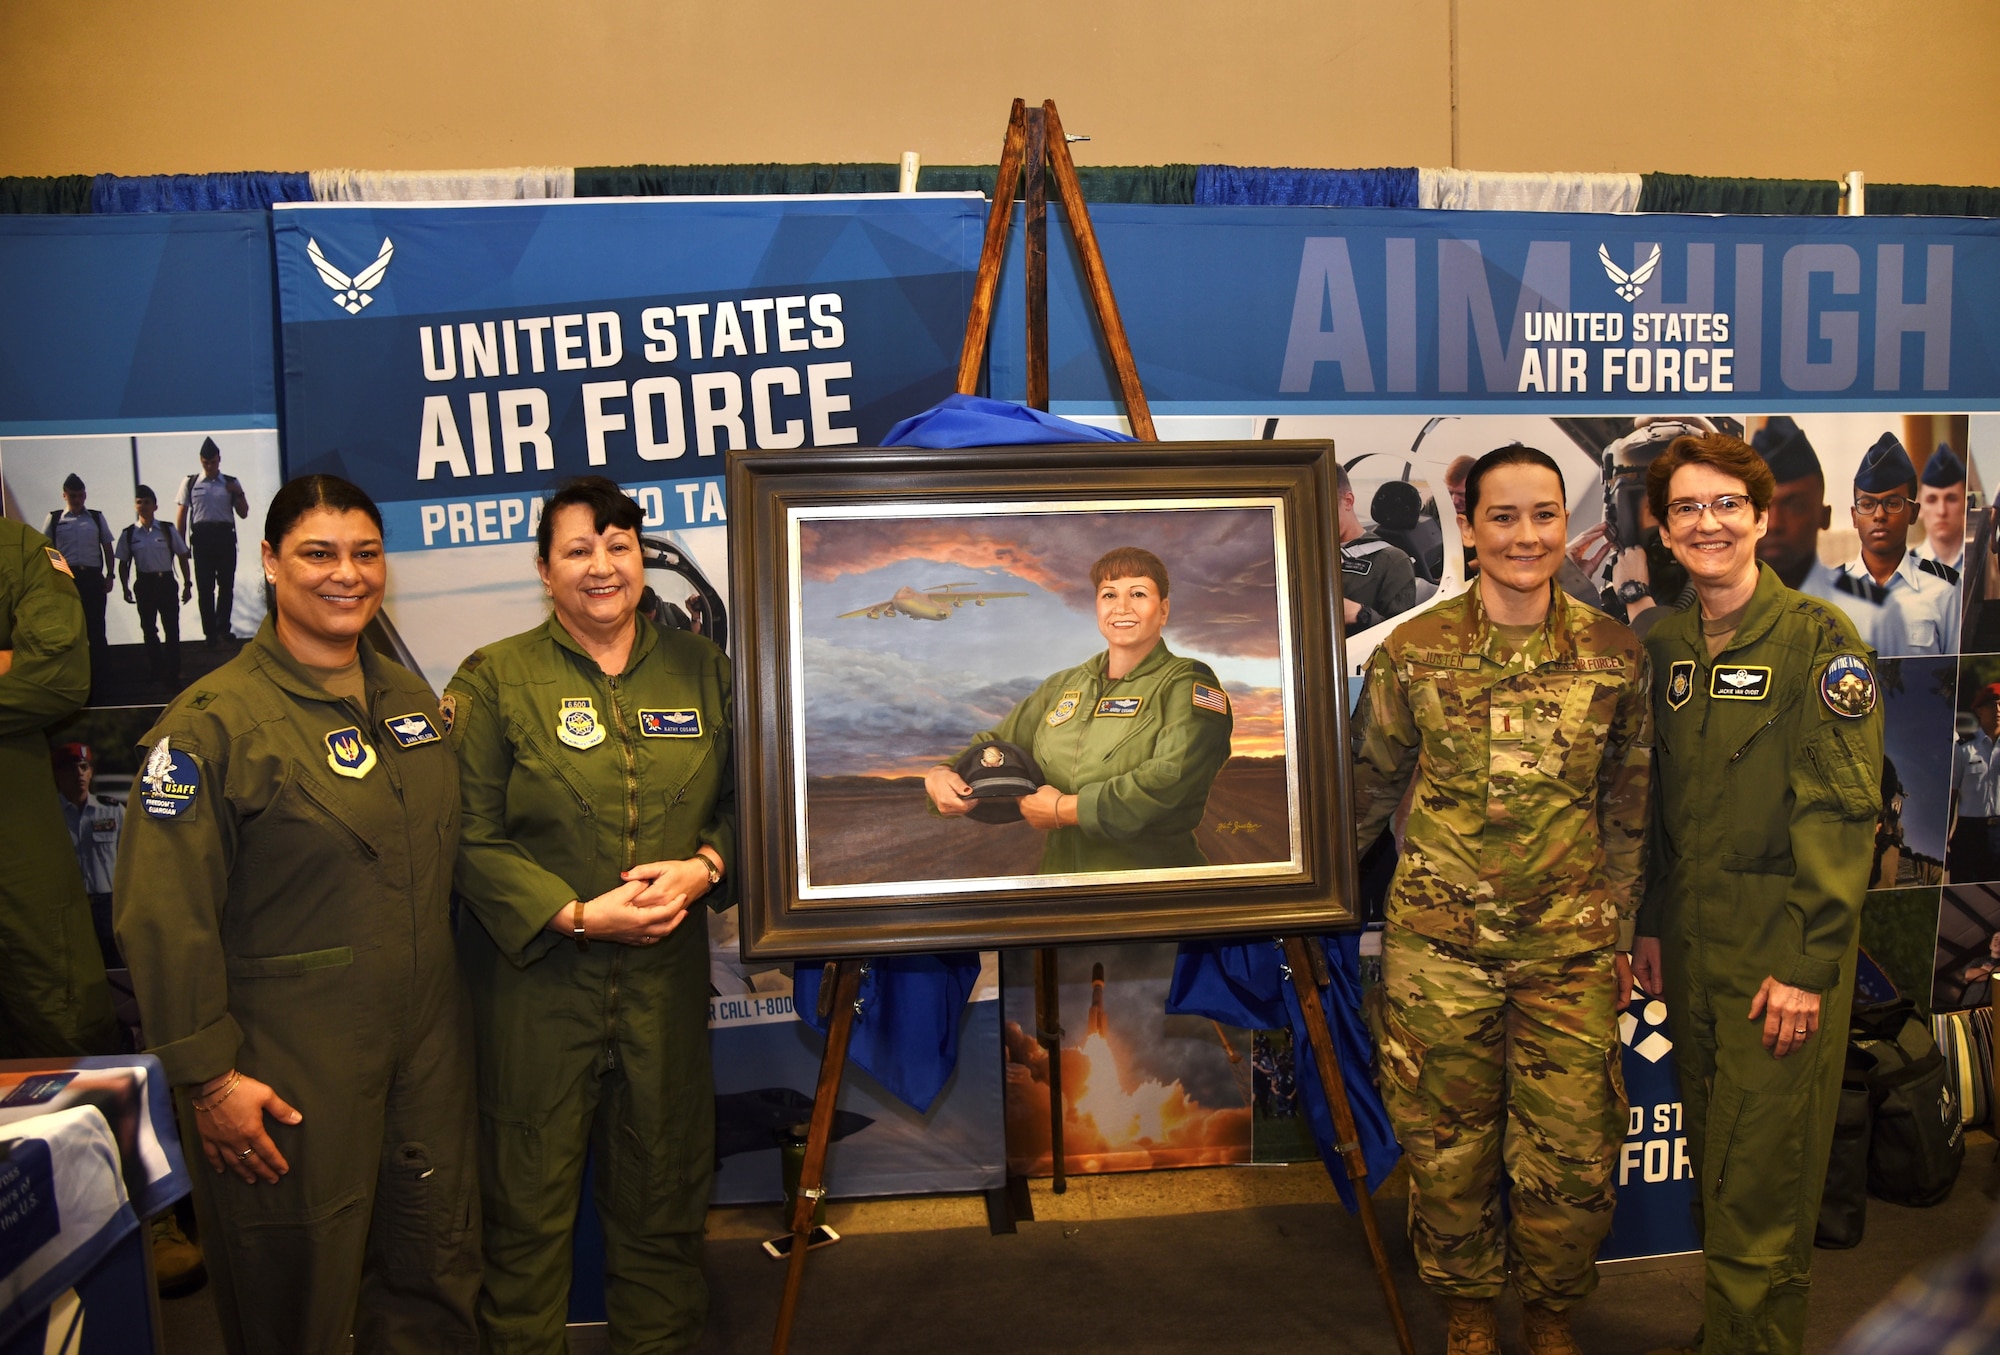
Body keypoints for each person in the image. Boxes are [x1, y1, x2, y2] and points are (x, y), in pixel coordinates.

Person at [113, 475, 479, 1355]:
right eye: (318, 552)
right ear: (271, 560)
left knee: (435, 1279)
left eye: (365, 552)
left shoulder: (410, 706)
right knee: (295, 1302)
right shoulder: (209, 728)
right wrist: (208, 1079)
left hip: (425, 1060)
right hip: (285, 1077)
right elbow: (164, 917)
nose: (345, 574)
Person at [1351, 445, 1651, 1355]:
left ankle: (1553, 1313)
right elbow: (1365, 793)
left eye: (1545, 515)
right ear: (1471, 528)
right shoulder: (1413, 651)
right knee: (1446, 1153)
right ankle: (1470, 1312)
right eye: (1505, 517)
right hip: (1439, 954)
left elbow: (1628, 814)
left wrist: (1621, 939)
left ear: (1569, 525)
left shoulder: (1614, 653)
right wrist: (1282, 883)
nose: (1527, 535)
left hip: (1570, 954)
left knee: (1575, 1154)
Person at [446, 475, 734, 1351]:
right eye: (578, 549)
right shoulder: (495, 679)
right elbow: (464, 836)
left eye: (619, 547)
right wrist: (572, 914)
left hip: (663, 995)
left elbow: (758, 804)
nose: (602, 567)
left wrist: (707, 866)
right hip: (535, 993)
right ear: (544, 568)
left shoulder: (705, 669)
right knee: (524, 1225)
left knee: (664, 1212)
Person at [1631, 432, 1883, 1355]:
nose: (1709, 523)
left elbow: (1843, 813)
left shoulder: (1821, 644)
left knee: (1765, 1189)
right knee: (1721, 1170)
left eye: (1727, 504)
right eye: (1688, 508)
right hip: (1694, 951)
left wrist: (1810, 966)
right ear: (1663, 530)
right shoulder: (1665, 646)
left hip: (1779, 954)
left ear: (1763, 517)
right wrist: (1653, 924)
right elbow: (1657, 807)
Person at [924, 546, 1234, 874]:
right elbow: (997, 744)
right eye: (1109, 595)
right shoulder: (1064, 686)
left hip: (1152, 884)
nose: (1122, 607)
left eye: (1139, 593)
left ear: (1164, 610)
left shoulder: (1189, 684)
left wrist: (1066, 810)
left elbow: (1171, 781)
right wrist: (944, 773)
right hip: (1061, 884)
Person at [0, 517, 116, 1057]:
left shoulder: (16, 549)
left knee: (59, 1011)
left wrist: (19, 668)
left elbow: (59, 677)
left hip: (16, 841)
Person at [1750, 417, 1910, 659]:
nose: (1774, 524)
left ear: (1824, 517)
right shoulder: (1719, 606)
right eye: (1762, 507)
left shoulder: (1873, 611)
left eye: (1794, 506)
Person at [1826, 432, 1958, 655]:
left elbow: (1957, 675)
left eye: (1892, 503)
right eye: (1867, 504)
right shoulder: (1829, 592)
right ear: (1854, 516)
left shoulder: (1944, 589)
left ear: (1914, 513)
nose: (1879, 515)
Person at [52, 741, 122, 967]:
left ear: (91, 772)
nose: (79, 774)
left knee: (117, 970)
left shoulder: (113, 810)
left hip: (109, 906)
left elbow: (133, 860)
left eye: (84, 767)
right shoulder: (49, 817)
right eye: (72, 768)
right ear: (58, 773)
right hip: (67, 909)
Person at [116, 484, 194, 685]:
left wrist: (187, 584)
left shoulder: (167, 529)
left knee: (171, 628)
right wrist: (124, 587)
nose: (143, 506)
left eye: (147, 502)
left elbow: (182, 556)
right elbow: (123, 563)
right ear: (135, 506)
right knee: (149, 629)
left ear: (155, 506)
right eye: (139, 502)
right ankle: (157, 670)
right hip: (144, 583)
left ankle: (174, 671)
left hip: (166, 581)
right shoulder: (129, 534)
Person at [175, 436, 250, 646]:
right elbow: (181, 514)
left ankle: (223, 629)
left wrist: (239, 493)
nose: (210, 466)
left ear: (219, 459)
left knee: (226, 585)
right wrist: (180, 545)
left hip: (225, 536)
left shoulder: (230, 482)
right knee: (205, 587)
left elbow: (243, 513)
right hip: (202, 537)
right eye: (206, 462)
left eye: (213, 462)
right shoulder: (190, 482)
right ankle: (210, 633)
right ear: (201, 460)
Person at [43, 472, 115, 657]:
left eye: (80, 495)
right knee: (71, 629)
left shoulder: (96, 518)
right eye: (73, 496)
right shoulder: (55, 518)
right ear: (64, 495)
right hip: (67, 577)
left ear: (85, 495)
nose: (77, 499)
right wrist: (59, 574)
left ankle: (101, 681)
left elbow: (107, 547)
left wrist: (110, 575)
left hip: (92, 577)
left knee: (97, 630)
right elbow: (48, 550)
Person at [1337, 465, 1418, 630]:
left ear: (1348, 501)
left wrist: (1361, 615)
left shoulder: (1392, 561)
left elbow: (1401, 640)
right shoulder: (1299, 557)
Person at [1949, 683, 2000, 884]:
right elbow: (1951, 794)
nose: (1998, 710)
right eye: (1992, 705)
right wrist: (1945, 837)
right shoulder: (1964, 749)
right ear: (1979, 710)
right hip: (1969, 832)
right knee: (1963, 888)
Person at [1912, 443, 1968, 574]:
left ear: (1965, 504)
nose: (1941, 511)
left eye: (1951, 499)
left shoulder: (1985, 562)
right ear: (1918, 508)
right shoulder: (1903, 570)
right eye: (1932, 500)